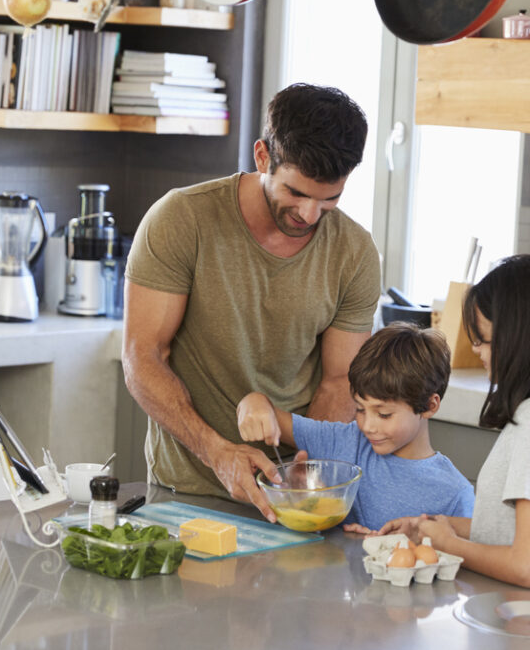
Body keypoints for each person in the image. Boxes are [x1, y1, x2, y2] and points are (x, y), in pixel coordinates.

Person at [122, 83, 381, 520]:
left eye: (329, 199)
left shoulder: (354, 253)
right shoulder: (181, 220)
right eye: (295, 193)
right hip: (188, 493)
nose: (310, 215)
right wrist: (217, 453)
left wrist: (305, 471)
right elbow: (142, 357)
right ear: (263, 157)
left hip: (292, 499)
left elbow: (339, 382)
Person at [377, 255, 530, 588]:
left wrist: (449, 545)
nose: (477, 350)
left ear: (520, 340)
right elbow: (520, 530)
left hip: (526, 622)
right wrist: (440, 527)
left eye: (482, 339)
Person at [236, 322, 475, 531]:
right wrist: (253, 402)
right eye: (360, 409)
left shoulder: (454, 495)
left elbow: (459, 573)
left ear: (429, 406)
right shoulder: (345, 440)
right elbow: (273, 418)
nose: (367, 426)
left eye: (383, 414)